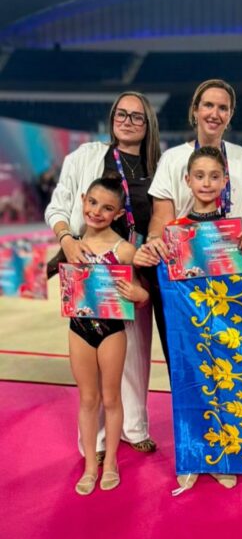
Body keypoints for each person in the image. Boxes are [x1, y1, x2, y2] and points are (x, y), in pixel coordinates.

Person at [45, 91, 161, 460]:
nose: (127, 121)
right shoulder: (85, 157)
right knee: (93, 350)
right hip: (89, 262)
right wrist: (66, 238)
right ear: (112, 117)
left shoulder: (156, 166)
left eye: (137, 117)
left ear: (148, 127)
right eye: (121, 114)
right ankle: (92, 441)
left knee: (135, 348)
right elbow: (59, 204)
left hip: (135, 262)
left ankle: (134, 427)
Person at [139, 146, 242, 494]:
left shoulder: (233, 232)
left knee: (229, 387)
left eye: (214, 176)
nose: (206, 183)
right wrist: (149, 252)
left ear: (224, 181)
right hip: (187, 329)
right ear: (187, 180)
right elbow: (150, 265)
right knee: (188, 386)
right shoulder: (173, 232)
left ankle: (225, 458)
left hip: (227, 327)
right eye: (199, 176)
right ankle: (192, 458)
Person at [139, 79, 242, 364]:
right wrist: (155, 239)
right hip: (186, 280)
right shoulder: (172, 159)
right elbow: (161, 216)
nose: (214, 113)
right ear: (195, 110)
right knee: (189, 363)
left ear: (230, 116)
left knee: (235, 363)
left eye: (223, 108)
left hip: (233, 279)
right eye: (208, 105)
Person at [68, 177, 149, 495]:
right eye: (92, 203)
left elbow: (145, 295)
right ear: (84, 199)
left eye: (107, 208)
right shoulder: (73, 245)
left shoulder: (125, 250)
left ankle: (111, 461)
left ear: (118, 214)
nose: (97, 211)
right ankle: (91, 464)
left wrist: (137, 293)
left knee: (112, 398)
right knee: (88, 399)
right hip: (78, 329)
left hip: (113, 331)